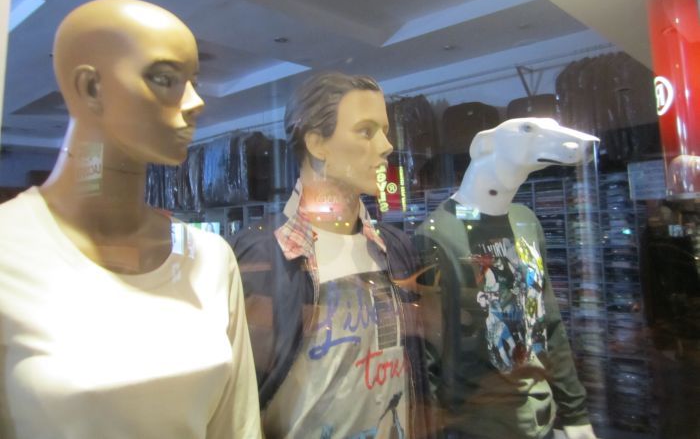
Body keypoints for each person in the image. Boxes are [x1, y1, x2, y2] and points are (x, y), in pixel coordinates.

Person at [0, 0, 261, 439]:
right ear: (91, 88)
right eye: (164, 79)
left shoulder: (211, 259)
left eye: (193, 81)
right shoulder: (9, 250)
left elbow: (237, 427)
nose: (196, 102)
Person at [232, 72, 433, 439]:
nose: (387, 146)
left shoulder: (395, 250)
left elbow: (415, 373)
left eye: (385, 131)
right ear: (317, 143)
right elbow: (236, 398)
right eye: (366, 131)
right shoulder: (260, 256)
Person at [414, 118, 599, 439]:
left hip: (541, 415)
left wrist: (575, 411)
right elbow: (429, 351)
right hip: (476, 424)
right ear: (483, 145)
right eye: (527, 130)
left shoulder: (525, 221)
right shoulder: (438, 234)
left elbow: (548, 321)